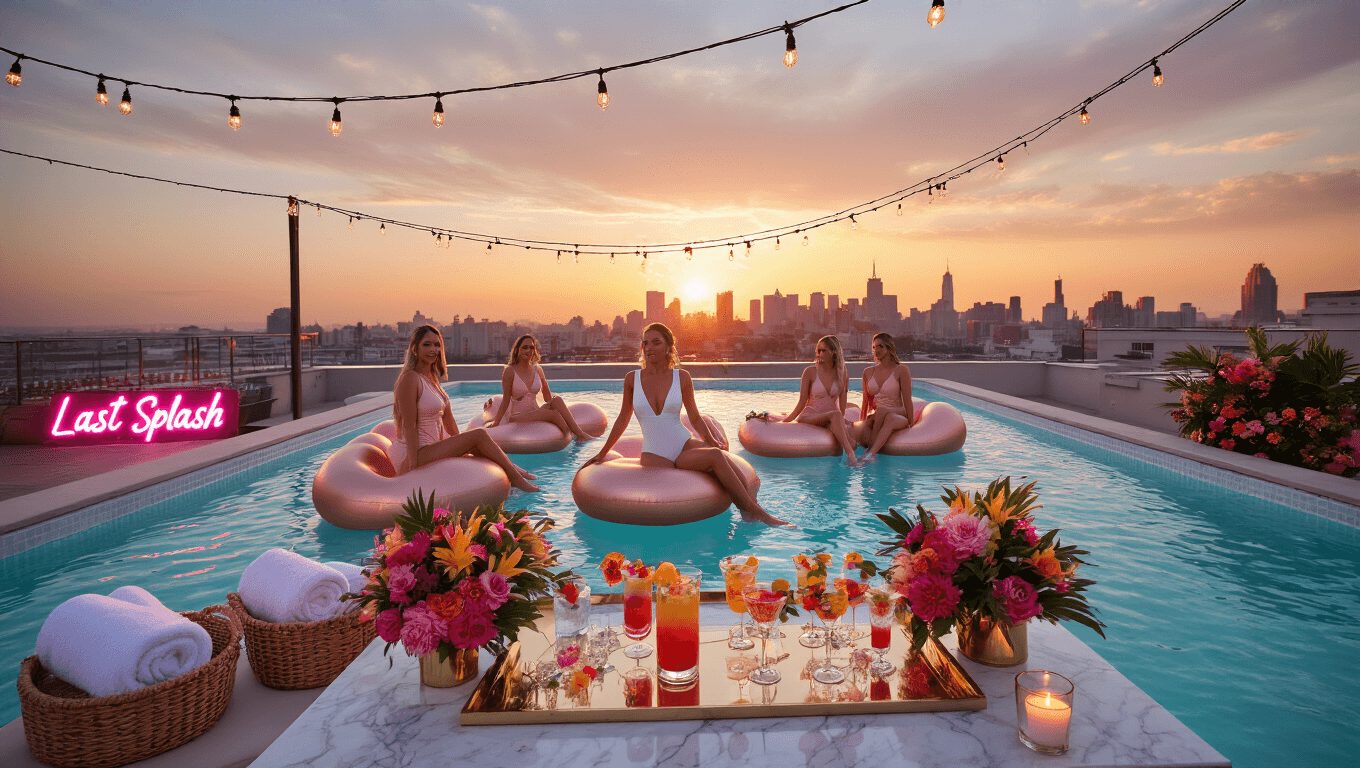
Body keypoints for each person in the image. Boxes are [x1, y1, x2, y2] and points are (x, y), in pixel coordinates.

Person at [585, 323, 790, 527]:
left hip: (684, 443)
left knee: (720, 455)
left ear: (669, 347)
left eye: (656, 342)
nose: (648, 348)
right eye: (645, 343)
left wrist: (711, 440)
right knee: (715, 457)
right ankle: (755, 511)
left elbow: (695, 418)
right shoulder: (632, 379)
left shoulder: (681, 377)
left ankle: (752, 508)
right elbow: (623, 419)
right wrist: (602, 453)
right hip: (656, 453)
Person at [389, 325, 538, 492]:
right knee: (479, 434)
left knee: (477, 443)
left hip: (431, 448)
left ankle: (515, 470)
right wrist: (412, 467)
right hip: (415, 453)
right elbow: (410, 426)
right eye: (427, 344)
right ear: (415, 348)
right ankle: (517, 479)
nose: (433, 350)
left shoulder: (431, 379)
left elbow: (449, 423)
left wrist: (464, 446)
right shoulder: (410, 378)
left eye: (437, 345)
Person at [485, 334, 593, 441]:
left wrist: (544, 382)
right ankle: (576, 436)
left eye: (531, 347)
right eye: (525, 347)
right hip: (517, 416)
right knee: (554, 415)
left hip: (536, 411)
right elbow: (506, 399)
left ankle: (578, 434)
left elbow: (547, 398)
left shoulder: (537, 369)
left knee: (557, 399)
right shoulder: (510, 370)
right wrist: (496, 421)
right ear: (517, 350)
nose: (528, 350)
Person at [781, 335, 860, 466]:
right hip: (811, 414)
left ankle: (843, 462)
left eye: (823, 350)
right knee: (836, 416)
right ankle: (851, 455)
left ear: (833, 352)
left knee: (841, 428)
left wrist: (842, 419)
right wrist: (788, 420)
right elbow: (802, 401)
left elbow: (843, 399)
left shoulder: (842, 373)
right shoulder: (810, 372)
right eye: (818, 350)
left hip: (830, 417)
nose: (819, 353)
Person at [857, 332, 915, 463]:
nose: (876, 350)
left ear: (889, 348)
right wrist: (862, 424)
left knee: (883, 412)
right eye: (874, 347)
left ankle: (870, 452)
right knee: (882, 413)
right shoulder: (867, 372)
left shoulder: (901, 370)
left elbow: (907, 400)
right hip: (879, 416)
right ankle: (870, 453)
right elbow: (865, 402)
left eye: (880, 346)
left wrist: (912, 425)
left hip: (898, 413)